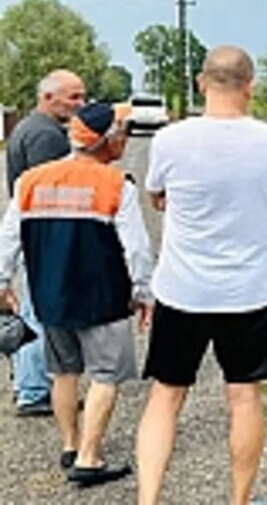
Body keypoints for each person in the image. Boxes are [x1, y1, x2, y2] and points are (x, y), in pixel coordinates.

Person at [135, 46, 267, 505]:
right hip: (247, 293)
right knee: (243, 398)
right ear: (250, 86)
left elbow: (157, 194)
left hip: (182, 290)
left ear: (202, 83)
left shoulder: (170, 140)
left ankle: (149, 500)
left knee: (166, 397)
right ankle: (239, 501)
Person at [0, 102, 153, 487]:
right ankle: (89, 457)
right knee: (106, 374)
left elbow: (8, 239)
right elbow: (135, 249)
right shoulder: (117, 185)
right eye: (122, 131)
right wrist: (144, 292)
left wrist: (2, 283)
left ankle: (70, 445)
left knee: (63, 372)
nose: (125, 138)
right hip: (103, 298)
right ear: (107, 140)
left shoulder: (30, 182)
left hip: (50, 295)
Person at [4, 70, 84, 417]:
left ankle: (33, 384)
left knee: (36, 309)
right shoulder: (46, 137)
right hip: (43, 236)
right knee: (39, 312)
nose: (80, 104)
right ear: (49, 97)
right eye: (73, 97)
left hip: (32, 233)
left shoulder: (31, 128)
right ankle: (34, 388)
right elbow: (51, 191)